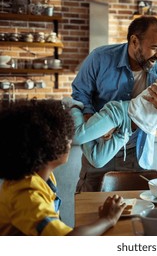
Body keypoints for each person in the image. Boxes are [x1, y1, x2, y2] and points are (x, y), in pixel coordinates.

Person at [71, 15, 157, 192]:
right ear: (134, 41)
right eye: (154, 47)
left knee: (135, 211)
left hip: (136, 153)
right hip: (99, 145)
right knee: (89, 205)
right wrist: (93, 120)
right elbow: (80, 94)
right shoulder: (100, 58)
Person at [0, 99, 126, 236]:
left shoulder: (43, 178)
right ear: (44, 146)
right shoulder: (27, 195)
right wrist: (108, 219)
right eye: (62, 136)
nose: (70, 140)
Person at [64, 62, 157, 168]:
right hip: (120, 114)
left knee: (97, 160)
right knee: (77, 136)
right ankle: (74, 107)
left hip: (126, 131)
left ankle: (93, 133)